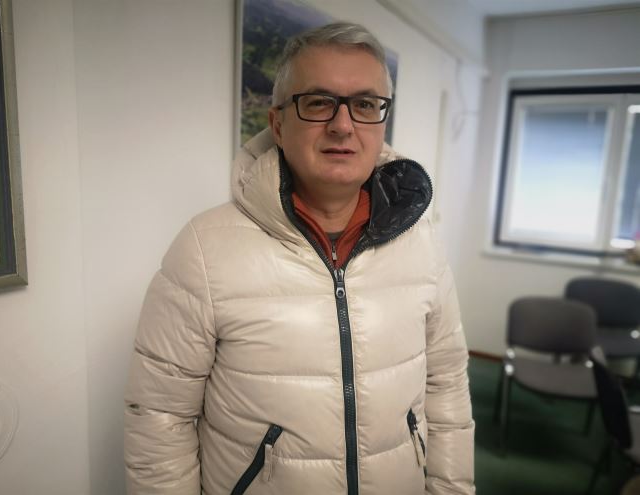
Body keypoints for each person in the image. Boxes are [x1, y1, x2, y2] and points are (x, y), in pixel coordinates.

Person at [124, 21, 474, 495]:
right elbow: (160, 418)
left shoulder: (422, 243)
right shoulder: (203, 250)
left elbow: (447, 386)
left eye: (365, 105)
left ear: (381, 123)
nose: (343, 125)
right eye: (318, 102)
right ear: (278, 124)